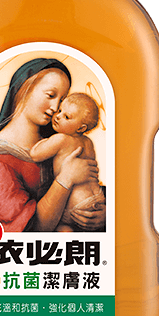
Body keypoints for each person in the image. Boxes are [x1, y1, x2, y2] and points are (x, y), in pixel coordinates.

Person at [0, 58, 106, 232]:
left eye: (62, 99)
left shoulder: (58, 139)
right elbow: (32, 230)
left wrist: (102, 213)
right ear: (24, 89)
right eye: (51, 95)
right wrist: (66, 178)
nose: (55, 107)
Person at [30, 93, 105, 232]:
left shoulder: (61, 139)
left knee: (62, 226)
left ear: (81, 128)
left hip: (76, 205)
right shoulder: (88, 142)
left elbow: (35, 155)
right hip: (98, 200)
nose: (58, 116)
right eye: (60, 110)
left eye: (67, 117)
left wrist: (41, 141)